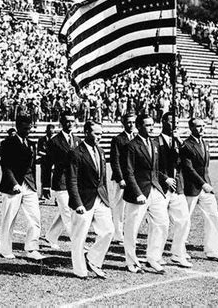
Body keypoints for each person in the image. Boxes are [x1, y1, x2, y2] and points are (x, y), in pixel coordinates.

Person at [66, 120, 113, 279]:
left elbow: (103, 178)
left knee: (108, 231)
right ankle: (80, 270)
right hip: (83, 201)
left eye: (101, 133)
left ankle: (93, 259)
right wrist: (77, 203)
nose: (100, 137)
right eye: (96, 133)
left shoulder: (100, 151)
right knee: (79, 237)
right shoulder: (75, 152)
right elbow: (71, 181)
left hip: (100, 198)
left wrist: (106, 199)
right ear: (86, 132)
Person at [123, 114, 169, 274]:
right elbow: (128, 172)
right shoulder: (131, 146)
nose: (151, 128)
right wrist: (137, 193)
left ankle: (153, 258)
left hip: (155, 189)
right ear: (138, 126)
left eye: (152, 125)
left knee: (162, 223)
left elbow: (155, 170)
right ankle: (131, 261)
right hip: (138, 192)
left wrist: (164, 180)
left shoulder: (154, 143)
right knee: (132, 228)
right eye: (147, 125)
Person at [180, 118, 218, 261]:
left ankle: (213, 249)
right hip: (192, 187)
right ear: (191, 128)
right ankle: (180, 249)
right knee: (185, 218)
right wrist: (203, 184)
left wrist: (206, 184)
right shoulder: (186, 145)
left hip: (206, 187)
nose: (202, 128)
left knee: (212, 216)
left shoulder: (205, 143)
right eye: (198, 126)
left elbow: (204, 168)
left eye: (203, 126)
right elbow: (188, 168)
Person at [0, 115, 45, 260]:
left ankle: (32, 248)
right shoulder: (8, 143)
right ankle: (5, 249)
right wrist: (14, 183)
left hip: (29, 185)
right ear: (18, 127)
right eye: (25, 128)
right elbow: (6, 166)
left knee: (35, 217)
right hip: (13, 185)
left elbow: (32, 166)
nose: (28, 131)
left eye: (30, 128)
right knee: (9, 218)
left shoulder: (32, 143)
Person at [157, 112, 192, 267]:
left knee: (184, 220)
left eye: (177, 122)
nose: (175, 124)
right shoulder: (155, 141)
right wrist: (164, 178)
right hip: (161, 187)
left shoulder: (178, 142)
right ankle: (155, 255)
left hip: (177, 187)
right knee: (160, 224)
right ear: (163, 122)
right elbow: (149, 167)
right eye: (171, 121)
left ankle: (178, 253)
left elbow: (189, 157)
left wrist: (178, 140)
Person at [44, 111, 80, 250]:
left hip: (75, 182)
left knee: (67, 211)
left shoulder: (77, 140)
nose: (70, 124)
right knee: (67, 212)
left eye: (72, 121)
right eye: (67, 121)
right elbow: (47, 165)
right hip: (61, 182)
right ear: (61, 123)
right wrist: (46, 186)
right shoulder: (54, 141)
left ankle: (51, 235)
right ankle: (78, 243)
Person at [109, 113, 135, 244]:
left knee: (132, 207)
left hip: (134, 178)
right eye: (129, 122)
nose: (131, 125)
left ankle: (129, 233)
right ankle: (118, 234)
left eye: (133, 122)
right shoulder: (118, 139)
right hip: (122, 179)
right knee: (119, 207)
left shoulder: (136, 138)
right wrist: (120, 179)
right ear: (123, 123)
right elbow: (115, 160)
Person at [37, 124, 55, 202]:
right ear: (46, 131)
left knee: (54, 180)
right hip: (45, 162)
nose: (51, 134)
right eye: (49, 132)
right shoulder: (41, 140)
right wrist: (47, 155)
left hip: (54, 162)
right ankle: (43, 196)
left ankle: (56, 198)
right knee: (44, 179)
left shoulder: (56, 140)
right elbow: (39, 151)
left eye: (52, 132)